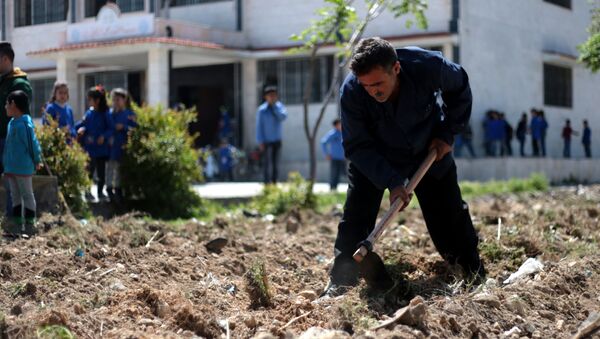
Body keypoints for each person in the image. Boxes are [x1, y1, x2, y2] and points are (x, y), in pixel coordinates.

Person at [324, 38, 485, 297]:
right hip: (376, 157)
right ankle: (342, 280)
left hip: (428, 150)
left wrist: (447, 133)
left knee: (449, 213)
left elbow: (460, 87)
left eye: (378, 84)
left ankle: (471, 270)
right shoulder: (353, 91)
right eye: (366, 85)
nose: (372, 92)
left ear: (396, 69)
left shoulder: (428, 66)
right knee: (356, 213)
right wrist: (392, 181)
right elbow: (356, 146)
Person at [2, 91, 42, 237]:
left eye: (7, 103)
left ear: (13, 104)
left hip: (23, 168)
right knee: (15, 195)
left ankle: (30, 223)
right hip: (12, 168)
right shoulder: (12, 123)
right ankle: (18, 222)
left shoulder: (25, 124)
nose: (5, 106)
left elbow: (32, 145)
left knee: (27, 194)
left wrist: (36, 160)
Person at [0, 42, 32, 219]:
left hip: (9, 140)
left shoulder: (19, 84)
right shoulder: (3, 82)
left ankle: (13, 220)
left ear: (5, 59)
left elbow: (22, 116)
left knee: (12, 183)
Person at [76, 85, 113, 201]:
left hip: (101, 149)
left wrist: (104, 136)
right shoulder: (89, 113)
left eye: (90, 99)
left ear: (97, 100)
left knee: (101, 172)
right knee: (89, 171)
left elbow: (111, 128)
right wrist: (81, 129)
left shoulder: (105, 113)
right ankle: (87, 192)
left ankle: (100, 192)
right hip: (90, 148)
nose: (88, 102)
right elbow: (83, 124)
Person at [107, 88, 137, 203]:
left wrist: (124, 127)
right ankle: (109, 188)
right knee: (110, 167)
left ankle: (119, 189)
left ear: (124, 100)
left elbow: (135, 129)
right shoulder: (110, 114)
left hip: (123, 146)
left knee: (119, 169)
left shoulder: (129, 114)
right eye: (113, 100)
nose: (115, 102)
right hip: (111, 146)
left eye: (118, 100)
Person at [255, 85, 287, 184]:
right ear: (266, 97)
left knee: (275, 164)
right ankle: (266, 183)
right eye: (270, 95)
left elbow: (283, 117)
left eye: (274, 95)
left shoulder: (279, 107)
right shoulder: (262, 110)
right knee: (267, 164)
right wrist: (260, 141)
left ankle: (274, 182)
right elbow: (259, 126)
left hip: (276, 140)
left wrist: (274, 108)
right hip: (266, 141)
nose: (272, 97)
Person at [320, 118, 346, 191]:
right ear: (335, 125)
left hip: (343, 158)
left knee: (345, 174)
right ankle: (333, 188)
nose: (340, 125)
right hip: (335, 158)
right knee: (334, 174)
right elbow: (323, 142)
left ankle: (338, 188)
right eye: (339, 124)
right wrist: (326, 154)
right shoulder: (333, 133)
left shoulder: (344, 132)